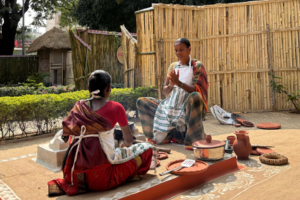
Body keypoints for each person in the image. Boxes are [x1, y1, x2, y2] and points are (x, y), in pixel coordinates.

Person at [48, 70, 153, 196]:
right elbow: (129, 141)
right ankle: (130, 175)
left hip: (74, 177)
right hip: (103, 179)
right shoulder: (117, 107)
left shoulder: (78, 107)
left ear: (88, 89)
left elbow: (68, 138)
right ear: (108, 88)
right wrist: (123, 145)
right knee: (147, 149)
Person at [137, 38, 209, 148]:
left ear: (189, 49)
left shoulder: (197, 65)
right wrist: (171, 85)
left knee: (195, 96)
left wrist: (179, 83)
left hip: (188, 107)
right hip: (171, 106)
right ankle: (161, 137)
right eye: (176, 50)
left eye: (181, 49)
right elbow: (165, 90)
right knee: (142, 102)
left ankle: (192, 141)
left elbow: (196, 89)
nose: (178, 53)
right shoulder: (173, 66)